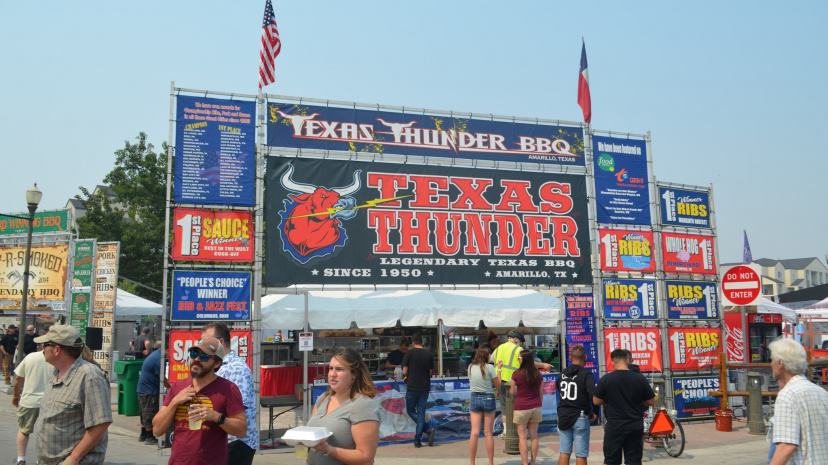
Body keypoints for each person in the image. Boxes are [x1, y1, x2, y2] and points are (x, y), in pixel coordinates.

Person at [153, 337, 247, 465]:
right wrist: (175, 402)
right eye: (194, 354)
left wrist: (216, 416)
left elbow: (241, 430)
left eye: (204, 357)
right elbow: (157, 430)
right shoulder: (178, 387)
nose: (196, 359)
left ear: (217, 363)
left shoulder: (228, 389)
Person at [35, 325, 112, 465]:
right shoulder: (56, 373)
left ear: (57, 349)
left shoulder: (90, 375)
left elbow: (101, 423)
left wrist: (73, 459)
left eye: (45, 345)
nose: (42, 348)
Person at [306, 347, 381, 465]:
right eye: (331, 368)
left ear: (354, 374)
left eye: (339, 369)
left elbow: (365, 457)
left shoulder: (362, 405)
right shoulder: (324, 399)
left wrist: (328, 449)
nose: (332, 374)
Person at [202, 322, 259, 465]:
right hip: (223, 440)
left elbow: (240, 410)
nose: (202, 346)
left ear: (220, 342)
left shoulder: (236, 368)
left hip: (236, 442)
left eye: (206, 341)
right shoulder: (218, 366)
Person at [768, 337, 828, 465]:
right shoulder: (821, 392)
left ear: (780, 363)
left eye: (771, 360)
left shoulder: (787, 395)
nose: (770, 364)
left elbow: (786, 445)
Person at [593, 349, 655, 465]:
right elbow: (651, 401)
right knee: (633, 461)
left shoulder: (606, 379)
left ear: (612, 362)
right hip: (635, 426)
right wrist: (638, 402)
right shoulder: (639, 378)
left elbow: (596, 400)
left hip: (615, 427)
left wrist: (608, 401)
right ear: (627, 361)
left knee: (610, 461)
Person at [12, 342, 53, 465]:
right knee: (45, 433)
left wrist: (16, 395)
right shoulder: (56, 360)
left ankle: (21, 458)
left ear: (41, 345)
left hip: (29, 400)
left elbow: (18, 378)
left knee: (24, 430)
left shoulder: (30, 357)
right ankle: (40, 460)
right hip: (49, 401)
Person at [557, 345, 596, 465]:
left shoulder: (562, 374)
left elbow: (559, 390)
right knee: (581, 454)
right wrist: (595, 412)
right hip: (580, 415)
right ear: (585, 358)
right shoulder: (586, 375)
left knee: (564, 452)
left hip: (564, 415)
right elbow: (593, 395)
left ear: (571, 357)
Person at [467, 347, 503, 465]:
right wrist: (499, 370)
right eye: (489, 355)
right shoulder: (490, 368)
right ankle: (490, 462)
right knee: (488, 433)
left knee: (474, 433)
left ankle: (472, 462)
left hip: (475, 398)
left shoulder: (470, 367)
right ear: (486, 356)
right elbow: (498, 385)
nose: (490, 357)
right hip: (488, 398)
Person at [510, 350, 544, 465]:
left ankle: (525, 463)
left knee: (522, 437)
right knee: (534, 436)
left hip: (521, 407)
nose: (518, 359)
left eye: (519, 358)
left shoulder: (516, 374)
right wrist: (540, 404)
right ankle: (533, 462)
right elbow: (541, 393)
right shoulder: (538, 374)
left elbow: (512, 392)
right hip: (536, 406)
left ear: (523, 359)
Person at [402, 333, 435, 448]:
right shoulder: (429, 354)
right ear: (422, 342)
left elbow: (405, 371)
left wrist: (407, 375)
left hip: (412, 386)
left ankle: (424, 432)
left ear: (413, 343)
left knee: (411, 411)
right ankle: (418, 439)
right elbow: (430, 372)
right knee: (421, 413)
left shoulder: (409, 353)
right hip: (424, 387)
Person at [137, 341, 163, 445]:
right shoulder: (158, 358)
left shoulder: (155, 355)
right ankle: (149, 436)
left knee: (143, 412)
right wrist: (169, 386)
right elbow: (160, 377)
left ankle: (143, 434)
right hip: (149, 389)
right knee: (149, 412)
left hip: (143, 388)